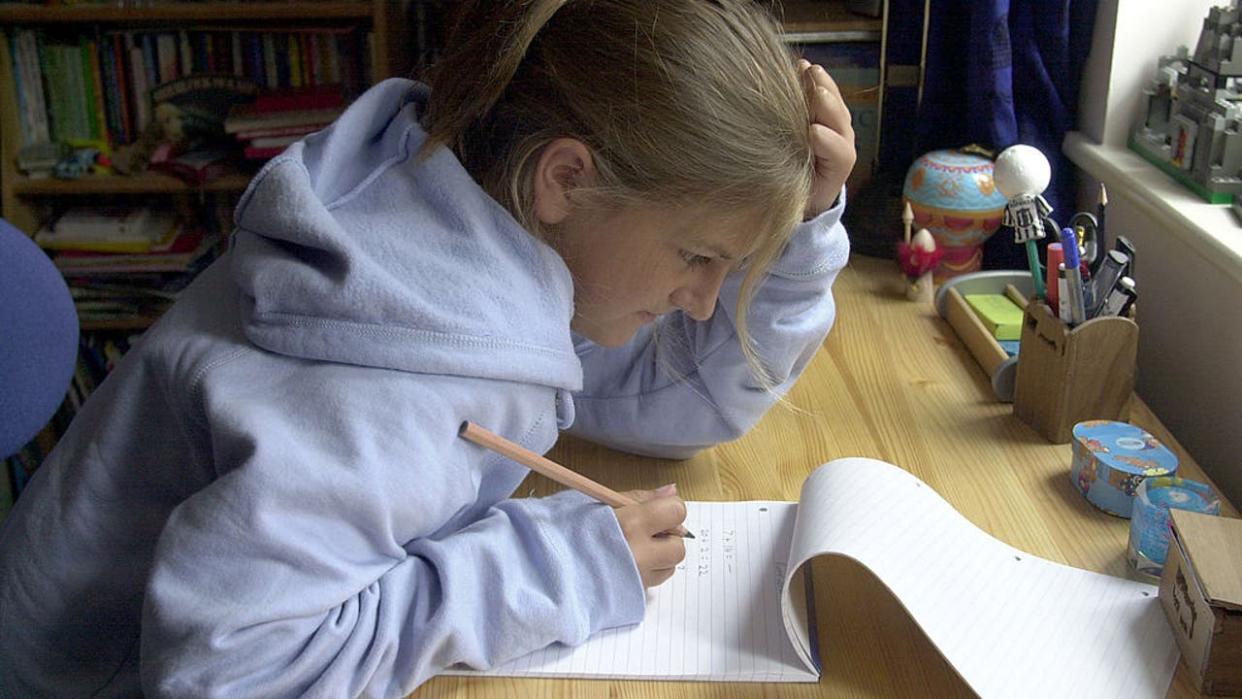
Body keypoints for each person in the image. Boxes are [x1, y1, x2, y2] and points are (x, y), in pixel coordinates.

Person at [0, 1, 854, 696]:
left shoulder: (464, 217)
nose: (702, 301)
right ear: (566, 177)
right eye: (698, 258)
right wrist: (551, 562)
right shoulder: (388, 374)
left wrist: (802, 231)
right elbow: (231, 675)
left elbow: (678, 403)